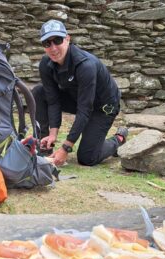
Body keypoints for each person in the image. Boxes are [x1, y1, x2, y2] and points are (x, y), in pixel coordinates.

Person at [32, 19, 128, 167]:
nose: (53, 48)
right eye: (47, 43)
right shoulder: (46, 64)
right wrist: (53, 134)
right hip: (78, 98)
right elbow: (53, 101)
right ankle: (44, 144)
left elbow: (85, 109)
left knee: (87, 158)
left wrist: (66, 147)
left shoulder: (85, 65)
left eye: (57, 40)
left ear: (67, 39)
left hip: (103, 106)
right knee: (39, 92)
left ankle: (119, 139)